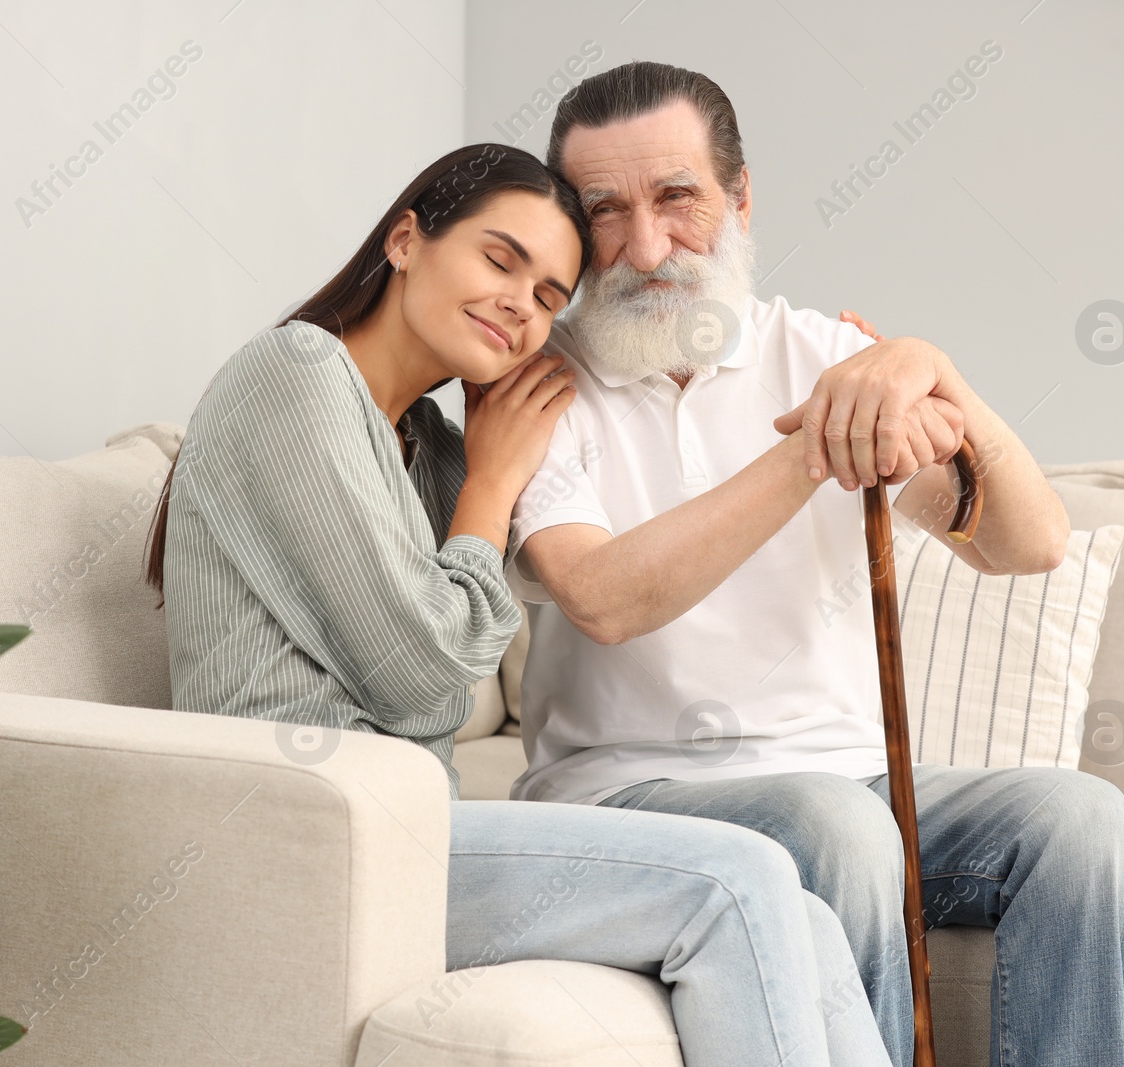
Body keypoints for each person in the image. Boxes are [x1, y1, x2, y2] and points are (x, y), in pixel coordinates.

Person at [143, 141, 893, 1066]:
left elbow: (541, 597)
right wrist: (494, 480)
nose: (520, 305)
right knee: (736, 881)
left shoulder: (430, 442)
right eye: (501, 260)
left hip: (409, 830)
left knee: (803, 914)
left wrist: (885, 372)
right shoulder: (297, 374)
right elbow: (423, 684)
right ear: (408, 239)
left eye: (548, 298)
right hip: (309, 834)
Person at [503, 60, 1124, 1067]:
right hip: (629, 790)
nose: (645, 244)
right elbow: (602, 597)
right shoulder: (539, 391)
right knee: (839, 826)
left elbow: (1027, 543)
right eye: (604, 210)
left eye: (677, 197)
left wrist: (929, 365)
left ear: (739, 198)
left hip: (851, 776)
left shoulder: (821, 355)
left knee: (1084, 821)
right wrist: (811, 447)